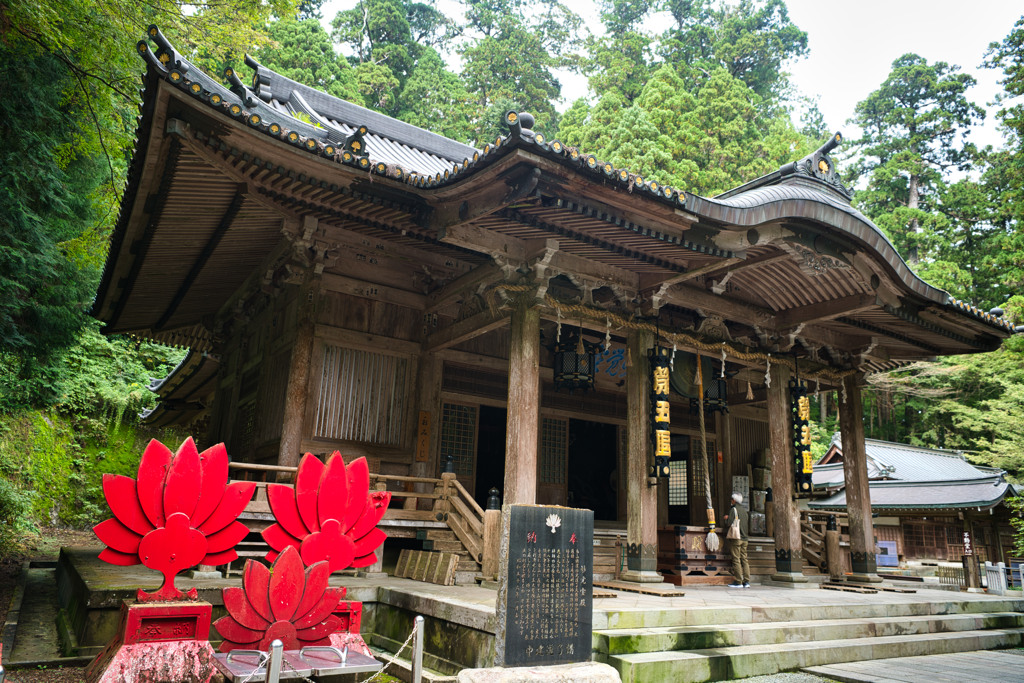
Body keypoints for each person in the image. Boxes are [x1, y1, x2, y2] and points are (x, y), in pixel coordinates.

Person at [725, 492, 750, 587]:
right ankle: (747, 581)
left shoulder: (733, 509)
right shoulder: (744, 511)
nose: (731, 501)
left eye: (731, 499)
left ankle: (738, 581)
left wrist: (726, 518)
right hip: (745, 538)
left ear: (734, 500)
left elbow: (729, 523)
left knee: (736, 559)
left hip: (737, 538)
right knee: (744, 559)